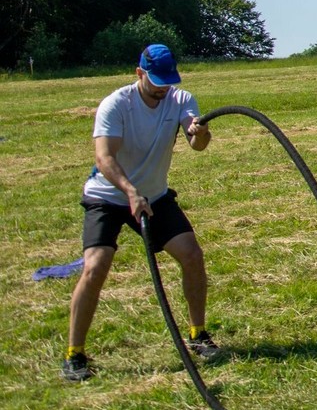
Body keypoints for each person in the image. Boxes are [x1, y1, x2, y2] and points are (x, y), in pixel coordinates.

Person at [63, 44, 220, 381]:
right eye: (156, 81)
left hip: (155, 196)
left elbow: (197, 145)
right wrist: (131, 192)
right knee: (95, 266)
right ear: (139, 74)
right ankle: (75, 354)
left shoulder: (181, 99)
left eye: (168, 80)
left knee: (192, 255)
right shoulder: (116, 104)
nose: (163, 87)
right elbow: (105, 158)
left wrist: (201, 133)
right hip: (107, 196)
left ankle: (198, 334)